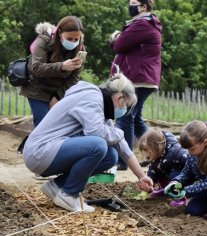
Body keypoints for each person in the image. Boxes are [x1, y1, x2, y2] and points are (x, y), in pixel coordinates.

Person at [22, 73, 153, 213]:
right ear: (119, 98)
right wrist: (120, 133)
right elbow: (96, 133)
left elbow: (122, 148)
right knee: (98, 145)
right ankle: (68, 195)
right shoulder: (91, 98)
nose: (124, 110)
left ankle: (57, 186)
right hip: (40, 152)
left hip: (51, 151)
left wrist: (142, 176)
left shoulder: (102, 109)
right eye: (126, 105)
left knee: (111, 156)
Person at [109, 0, 162, 170]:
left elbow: (120, 45)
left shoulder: (142, 24)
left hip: (137, 78)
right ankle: (158, 153)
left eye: (134, 2)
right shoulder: (147, 24)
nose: (130, 5)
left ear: (143, 7)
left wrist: (115, 36)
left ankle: (123, 160)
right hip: (143, 77)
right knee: (136, 118)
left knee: (125, 117)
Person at [20, 16, 85, 127]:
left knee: (55, 127)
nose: (73, 42)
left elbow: (74, 78)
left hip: (57, 91)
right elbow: (37, 68)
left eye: (76, 39)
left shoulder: (80, 49)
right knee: (42, 125)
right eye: (69, 39)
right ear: (60, 33)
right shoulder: (44, 40)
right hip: (37, 88)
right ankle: (33, 144)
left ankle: (31, 144)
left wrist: (58, 97)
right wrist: (61, 67)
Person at [163, 120, 207, 219]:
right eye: (187, 149)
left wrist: (185, 191)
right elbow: (186, 173)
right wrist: (175, 182)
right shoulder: (193, 154)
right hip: (204, 189)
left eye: (191, 149)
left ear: (205, 142)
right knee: (192, 210)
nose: (189, 152)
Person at [138, 128, 188, 197]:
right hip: (168, 175)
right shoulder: (156, 156)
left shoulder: (176, 151)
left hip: (181, 177)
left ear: (156, 147)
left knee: (173, 175)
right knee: (158, 172)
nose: (147, 155)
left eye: (148, 151)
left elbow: (188, 162)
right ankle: (165, 190)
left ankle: (179, 194)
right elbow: (152, 171)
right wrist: (150, 183)